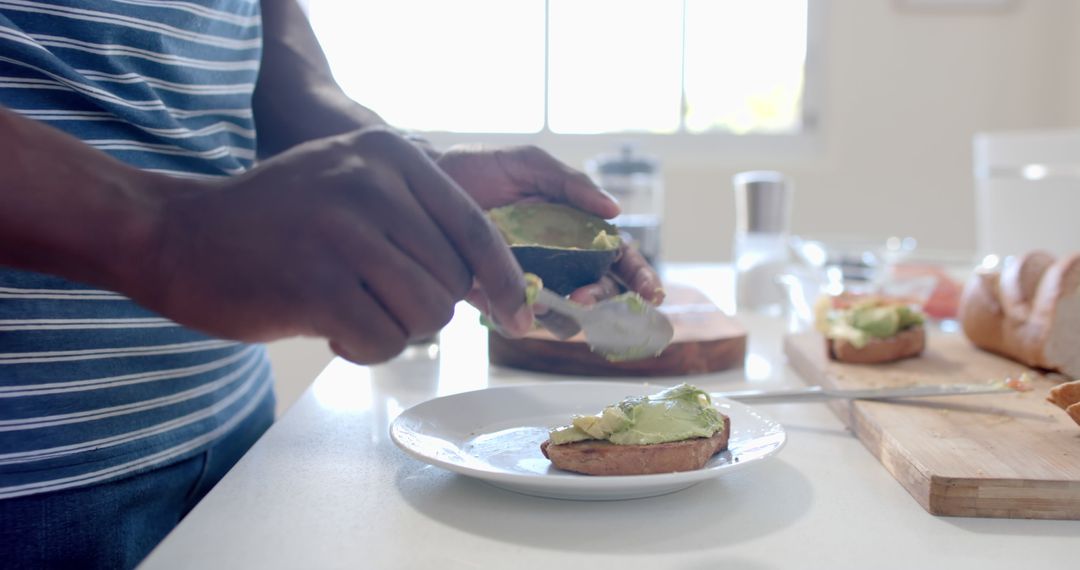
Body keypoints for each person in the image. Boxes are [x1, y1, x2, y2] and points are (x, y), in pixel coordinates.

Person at [0, 1, 662, 568]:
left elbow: (273, 58)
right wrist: (154, 227)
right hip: (34, 485)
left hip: (238, 443)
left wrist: (429, 186)